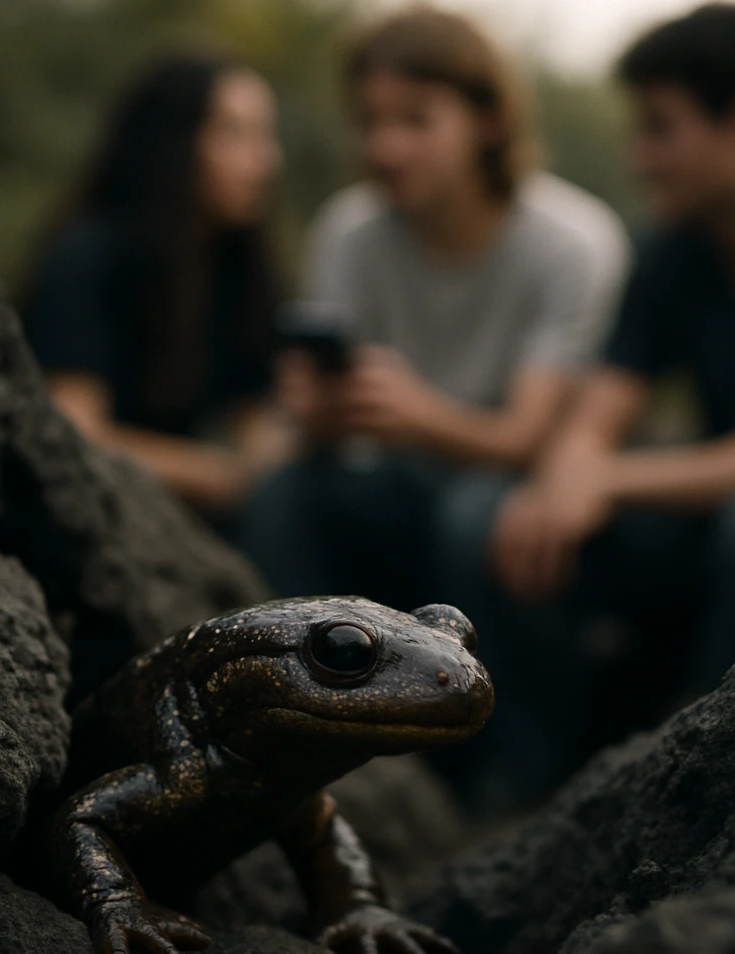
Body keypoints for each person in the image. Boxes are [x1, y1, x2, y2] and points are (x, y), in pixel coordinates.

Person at [460, 3, 735, 805]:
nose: (640, 156)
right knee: (494, 514)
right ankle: (539, 790)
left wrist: (607, 479)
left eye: (661, 128)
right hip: (721, 536)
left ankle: (701, 792)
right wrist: (566, 483)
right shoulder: (673, 252)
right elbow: (593, 421)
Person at [241, 5, 628, 616]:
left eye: (417, 120)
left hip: (506, 491)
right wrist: (317, 413)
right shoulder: (350, 230)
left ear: (490, 121)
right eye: (370, 121)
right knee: (283, 493)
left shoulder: (572, 242)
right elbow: (319, 426)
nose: (384, 147)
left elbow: (530, 438)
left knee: (474, 512)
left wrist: (416, 413)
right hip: (390, 482)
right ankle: (285, 694)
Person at [22, 53, 289, 517]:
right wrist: (220, 476)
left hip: (175, 523)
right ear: (173, 144)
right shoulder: (87, 254)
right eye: (235, 134)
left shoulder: (237, 268)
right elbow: (72, 436)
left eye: (265, 135)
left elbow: (260, 434)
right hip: (75, 517)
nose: (265, 160)